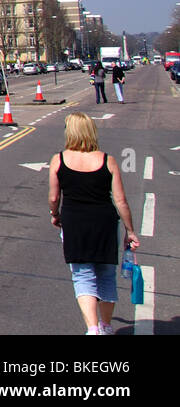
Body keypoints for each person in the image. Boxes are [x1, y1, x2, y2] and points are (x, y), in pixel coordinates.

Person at [48, 112, 140, 334]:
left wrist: (55, 214)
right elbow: (121, 201)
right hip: (105, 223)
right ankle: (106, 326)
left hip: (74, 223)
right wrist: (130, 231)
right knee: (106, 274)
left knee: (82, 275)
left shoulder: (59, 159)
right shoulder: (107, 160)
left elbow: (53, 198)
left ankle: (92, 328)